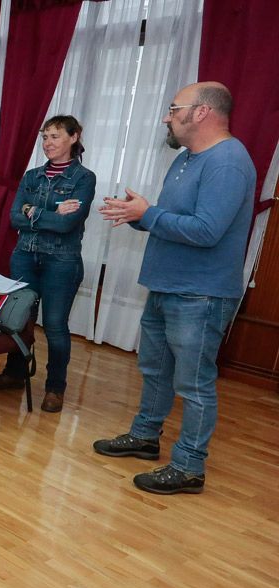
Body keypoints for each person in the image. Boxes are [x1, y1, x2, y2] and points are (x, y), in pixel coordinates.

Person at [94, 82, 255, 495]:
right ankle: (146, 437)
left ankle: (188, 467)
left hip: (201, 293)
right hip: (167, 285)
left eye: (173, 108)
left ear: (201, 112)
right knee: (154, 370)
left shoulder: (228, 162)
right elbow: (172, 220)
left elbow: (206, 231)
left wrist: (150, 213)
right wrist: (138, 215)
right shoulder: (186, 158)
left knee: (194, 384)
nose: (167, 116)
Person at [0, 115, 96, 413]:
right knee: (19, 320)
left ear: (74, 137)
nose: (47, 143)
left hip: (61, 261)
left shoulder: (84, 178)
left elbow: (68, 224)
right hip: (24, 256)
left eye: (55, 136)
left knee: (55, 326)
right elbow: (14, 217)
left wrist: (35, 211)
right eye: (45, 137)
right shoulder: (31, 176)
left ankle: (55, 388)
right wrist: (53, 208)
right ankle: (15, 373)